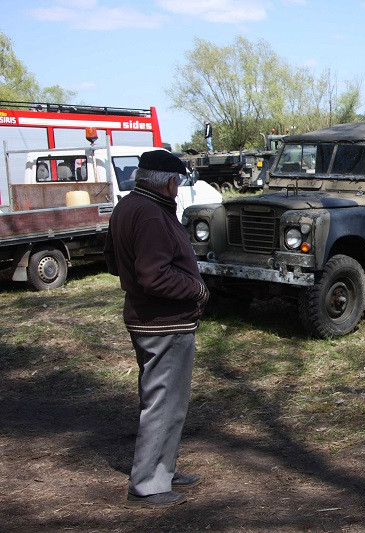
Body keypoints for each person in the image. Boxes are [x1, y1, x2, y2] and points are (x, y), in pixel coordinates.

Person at [103, 150, 209, 508]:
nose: (178, 189)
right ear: (167, 182)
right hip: (163, 323)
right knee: (163, 404)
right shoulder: (151, 215)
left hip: (148, 318)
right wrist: (197, 289)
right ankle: (148, 484)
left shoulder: (128, 206)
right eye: (177, 183)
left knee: (166, 401)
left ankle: (164, 468)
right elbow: (155, 275)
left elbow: (113, 261)